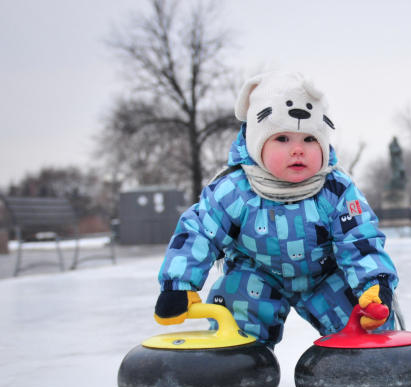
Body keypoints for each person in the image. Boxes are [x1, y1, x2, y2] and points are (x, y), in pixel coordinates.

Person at [153, 71, 398, 347]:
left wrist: (375, 283)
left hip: (325, 274)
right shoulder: (235, 189)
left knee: (364, 313)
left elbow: (360, 239)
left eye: (309, 140)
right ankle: (239, 363)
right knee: (237, 304)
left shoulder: (336, 189)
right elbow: (199, 231)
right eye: (282, 139)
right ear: (257, 143)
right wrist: (178, 284)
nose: (297, 150)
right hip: (258, 273)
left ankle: (371, 359)